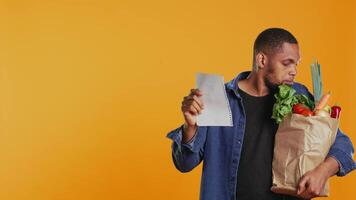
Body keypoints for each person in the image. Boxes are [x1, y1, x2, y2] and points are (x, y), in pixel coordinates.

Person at [166, 28, 356, 200]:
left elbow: (343, 145)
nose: (294, 71)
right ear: (262, 60)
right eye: (287, 63)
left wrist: (322, 171)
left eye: (296, 64)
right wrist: (190, 126)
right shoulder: (218, 99)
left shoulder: (298, 97)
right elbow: (185, 163)